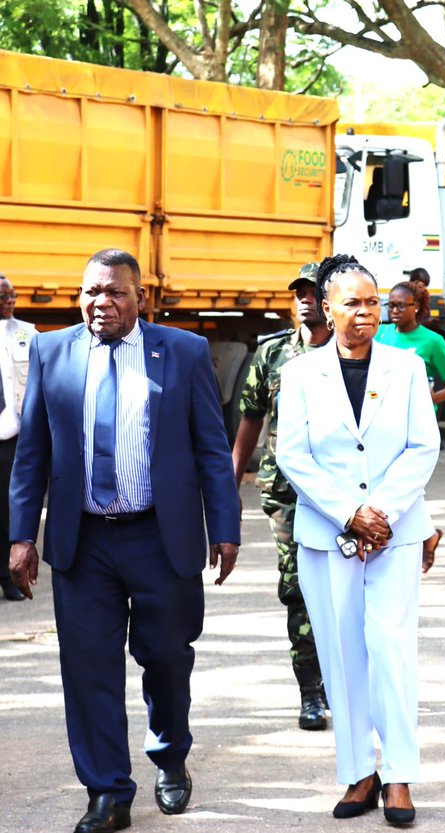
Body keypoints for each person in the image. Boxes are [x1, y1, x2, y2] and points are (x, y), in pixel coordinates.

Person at [7, 249, 240, 833]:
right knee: (88, 669)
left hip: (161, 538)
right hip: (83, 542)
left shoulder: (181, 352)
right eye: (90, 292)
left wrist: (226, 527)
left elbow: (213, 447)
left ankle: (170, 754)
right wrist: (19, 536)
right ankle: (108, 792)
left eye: (114, 292)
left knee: (165, 657)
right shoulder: (51, 350)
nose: (100, 303)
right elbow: (32, 452)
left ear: (141, 298)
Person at [275, 254, 439, 825]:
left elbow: (424, 446)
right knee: (341, 655)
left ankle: (398, 777)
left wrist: (381, 513)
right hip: (328, 535)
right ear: (327, 308)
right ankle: (358, 772)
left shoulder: (408, 367)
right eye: (352, 302)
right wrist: (350, 512)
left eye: (373, 302)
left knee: (392, 653)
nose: (366, 312)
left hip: (393, 534)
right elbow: (293, 454)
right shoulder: (298, 373)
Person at [230, 263, 332, 730]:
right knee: (298, 592)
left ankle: (344, 682)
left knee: (349, 591)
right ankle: (311, 691)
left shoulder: (358, 351)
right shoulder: (273, 354)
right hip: (288, 493)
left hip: (345, 492)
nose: (304, 299)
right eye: (299, 292)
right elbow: (251, 418)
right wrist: (228, 484)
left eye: (313, 291)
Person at [377, 279, 445, 570]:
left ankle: (418, 536)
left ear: (418, 308)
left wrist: (431, 398)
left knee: (409, 481)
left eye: (401, 305)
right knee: (390, 481)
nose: (394, 310)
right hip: (383, 420)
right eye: (391, 305)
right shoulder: (380, 334)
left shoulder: (432, 341)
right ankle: (425, 536)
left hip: (417, 422)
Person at [0, 272, 35, 601]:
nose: (9, 301)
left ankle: (7, 577)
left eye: (12, 295)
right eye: (3, 297)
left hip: (13, 438)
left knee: (8, 509)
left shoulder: (27, 333)